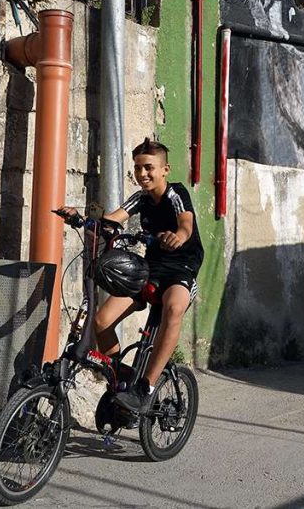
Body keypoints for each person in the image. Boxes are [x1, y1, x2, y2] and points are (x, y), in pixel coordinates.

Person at [58, 137, 204, 412]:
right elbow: (113, 218)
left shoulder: (176, 194)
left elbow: (186, 223)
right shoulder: (141, 199)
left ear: (165, 170)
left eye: (148, 167)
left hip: (182, 266)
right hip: (153, 266)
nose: (142, 174)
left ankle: (144, 387)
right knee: (101, 320)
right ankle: (120, 380)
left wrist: (178, 237)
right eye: (137, 168)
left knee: (173, 309)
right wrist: (80, 218)